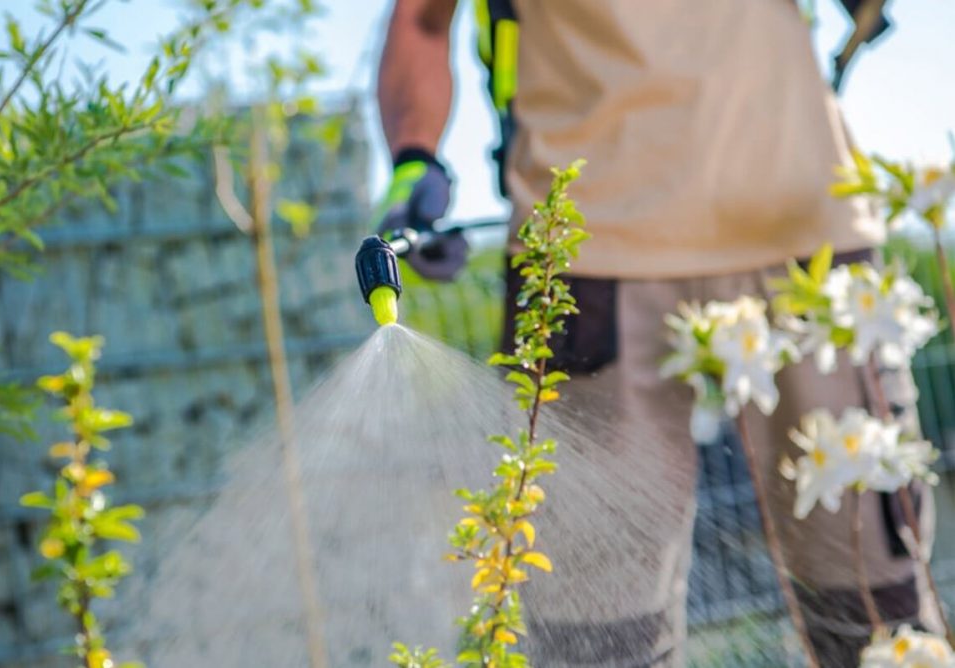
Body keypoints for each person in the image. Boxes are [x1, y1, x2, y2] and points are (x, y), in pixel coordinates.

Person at [375, 1, 940, 666]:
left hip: (806, 237)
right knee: (596, 637)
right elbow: (422, 18)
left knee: (877, 614)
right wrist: (415, 157)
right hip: (585, 257)